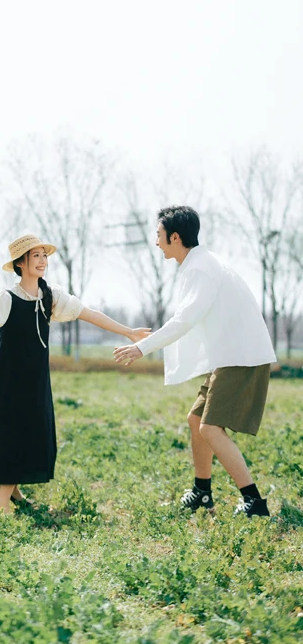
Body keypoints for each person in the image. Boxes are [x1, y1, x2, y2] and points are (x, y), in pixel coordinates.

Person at [0, 234, 151, 513]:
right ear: (20, 263)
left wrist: (127, 332)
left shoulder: (51, 296)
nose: (43, 261)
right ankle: (3, 503)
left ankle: (14, 492)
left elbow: (88, 313)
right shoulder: (6, 298)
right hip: (4, 377)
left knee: (28, 429)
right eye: (36, 256)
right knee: (10, 431)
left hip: (33, 377)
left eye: (45, 255)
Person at [114, 206, 276, 518]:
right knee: (196, 421)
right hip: (230, 356)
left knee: (211, 428)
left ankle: (254, 503)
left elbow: (184, 320)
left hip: (240, 357)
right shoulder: (199, 264)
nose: (156, 241)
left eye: (159, 236)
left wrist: (141, 348)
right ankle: (202, 493)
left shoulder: (201, 268)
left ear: (175, 237)